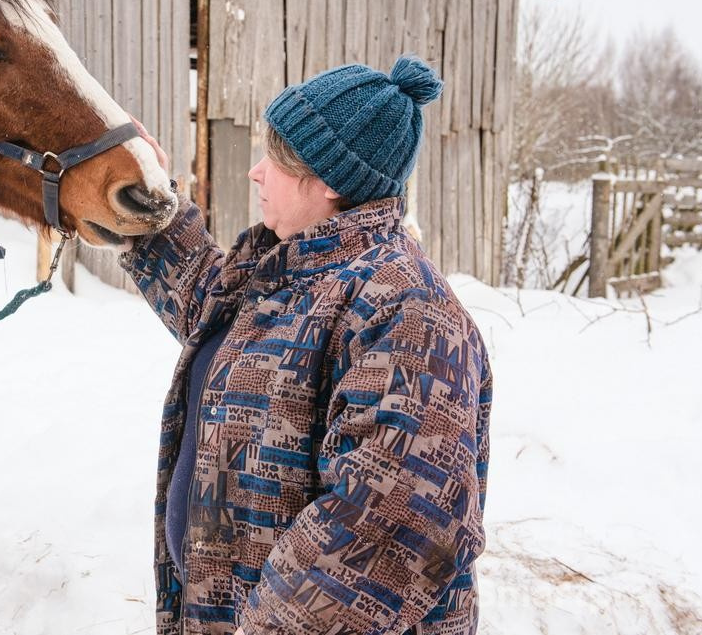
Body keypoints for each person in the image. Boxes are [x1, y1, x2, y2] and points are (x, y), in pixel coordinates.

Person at [120, 56, 493, 635]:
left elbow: (392, 524)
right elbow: (214, 316)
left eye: (276, 159)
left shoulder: (406, 312)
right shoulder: (299, 272)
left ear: (330, 182)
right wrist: (153, 205)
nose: (255, 172)